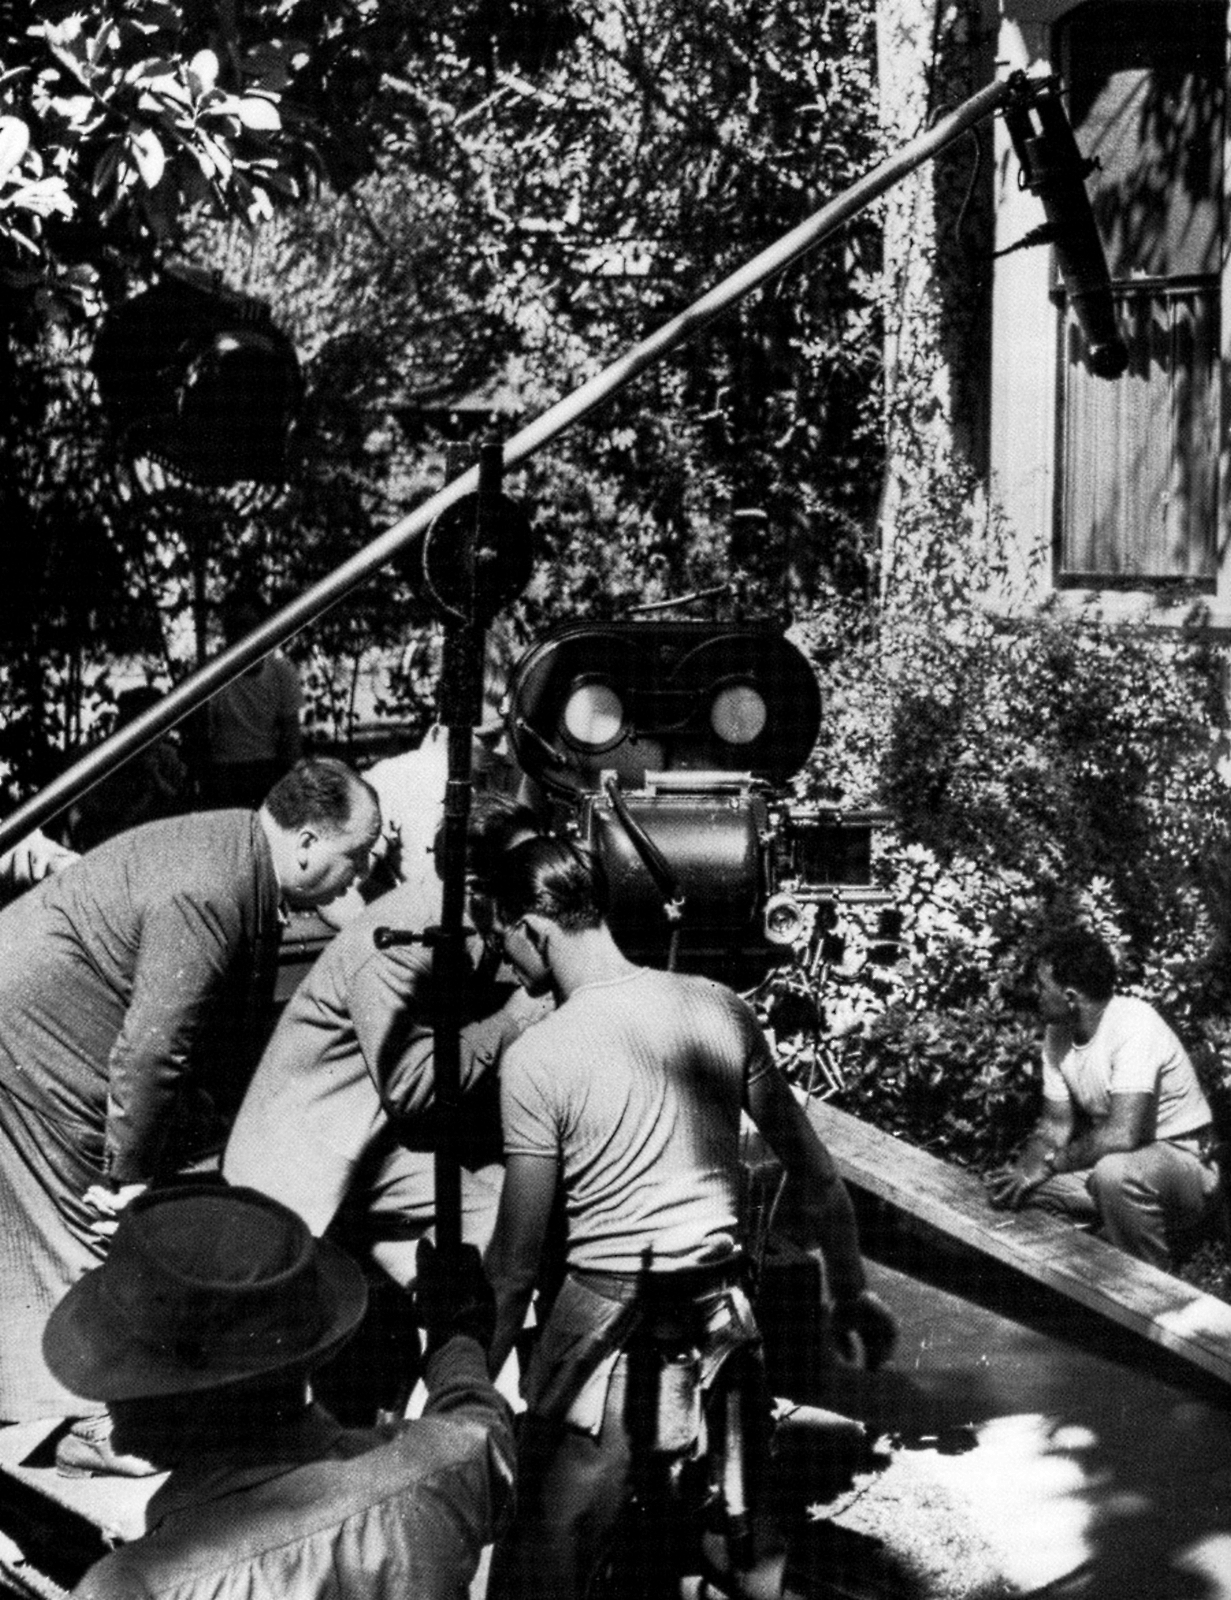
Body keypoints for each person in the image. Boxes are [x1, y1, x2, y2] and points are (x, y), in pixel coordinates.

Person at [481, 837, 898, 1600]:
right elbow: (818, 1178)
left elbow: (513, 1266)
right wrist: (848, 1293)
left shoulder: (538, 1056)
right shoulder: (717, 1007)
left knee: (538, 1564)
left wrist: (468, 1387)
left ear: (533, 929)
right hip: (721, 1322)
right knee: (742, 1548)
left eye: (501, 938)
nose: (502, 962)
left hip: (606, 1329)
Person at [0, 757, 381, 1442]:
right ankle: (92, 1419)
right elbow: (153, 1052)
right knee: (89, 1220)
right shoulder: (212, 890)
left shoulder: (237, 851)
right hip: (39, 1031)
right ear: (306, 843)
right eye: (355, 856)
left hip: (50, 1014)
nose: (360, 874)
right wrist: (128, 1175)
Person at [42, 1184, 515, 1600]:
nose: (109, 1396)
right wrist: (457, 1338)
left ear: (175, 1402)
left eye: (127, 1368)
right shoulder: (447, 1470)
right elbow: (479, 1420)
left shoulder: (134, 1588)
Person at [223, 797, 547, 1294]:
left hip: (375, 1131)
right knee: (500, 1225)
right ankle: (467, 1338)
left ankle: (444, 1325)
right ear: (474, 882)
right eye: (525, 867)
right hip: (319, 1153)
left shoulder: (469, 919)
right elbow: (409, 1088)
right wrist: (513, 1020)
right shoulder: (406, 939)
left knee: (509, 1190)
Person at [986, 926, 1223, 1270]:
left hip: (1184, 1161)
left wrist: (1050, 1165)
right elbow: (1054, 1126)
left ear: (1070, 997)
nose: (1035, 994)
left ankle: (1147, 1288)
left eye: (1041, 986)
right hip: (1123, 1162)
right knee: (1026, 1195)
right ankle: (1086, 1273)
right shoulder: (1057, 1034)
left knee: (1115, 1175)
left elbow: (1122, 1134)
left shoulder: (1134, 1024)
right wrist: (1024, 1172)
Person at [199, 597, 304, 809]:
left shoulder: (281, 672)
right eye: (234, 627)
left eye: (247, 626)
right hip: (225, 775)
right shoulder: (211, 674)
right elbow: (200, 743)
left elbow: (291, 740)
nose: (240, 634)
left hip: (269, 772)